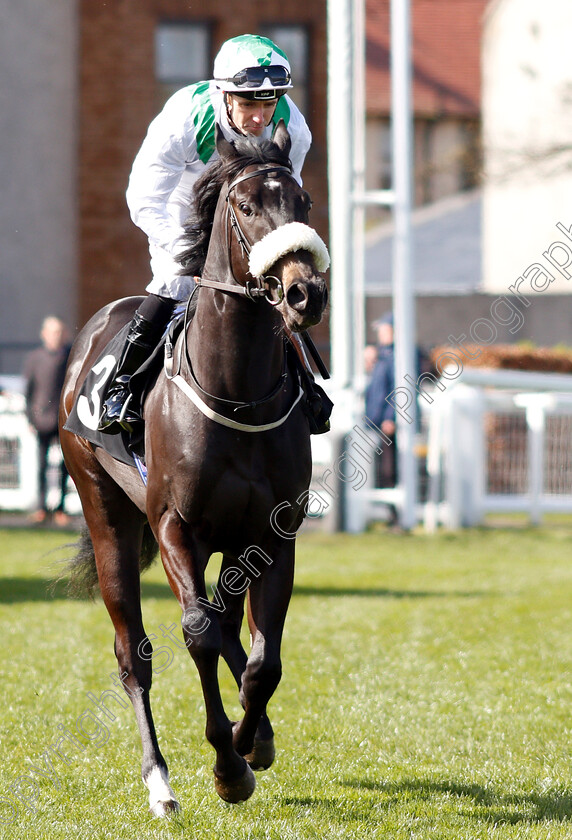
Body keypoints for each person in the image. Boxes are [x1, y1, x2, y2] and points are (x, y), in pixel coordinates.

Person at [98, 33, 312, 434]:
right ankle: (121, 387)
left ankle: (305, 385)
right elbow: (143, 198)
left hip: (249, 205)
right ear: (224, 95)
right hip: (183, 200)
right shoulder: (184, 117)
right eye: (248, 104)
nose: (259, 118)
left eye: (267, 105)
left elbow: (283, 200)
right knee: (176, 281)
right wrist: (186, 251)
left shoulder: (293, 129)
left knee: (274, 287)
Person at [23, 316, 72, 525]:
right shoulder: (35, 358)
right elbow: (28, 391)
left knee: (66, 465)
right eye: (52, 332)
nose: (56, 336)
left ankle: (61, 508)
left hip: (63, 419)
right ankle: (42, 508)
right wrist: (29, 418)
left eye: (59, 332)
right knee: (41, 465)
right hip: (41, 419)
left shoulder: (69, 356)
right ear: (44, 334)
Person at [365, 312, 398, 489]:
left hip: (388, 424)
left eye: (384, 330)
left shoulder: (398, 356)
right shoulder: (383, 355)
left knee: (389, 469)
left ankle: (394, 513)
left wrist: (390, 417)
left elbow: (398, 389)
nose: (381, 334)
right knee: (379, 468)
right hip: (377, 421)